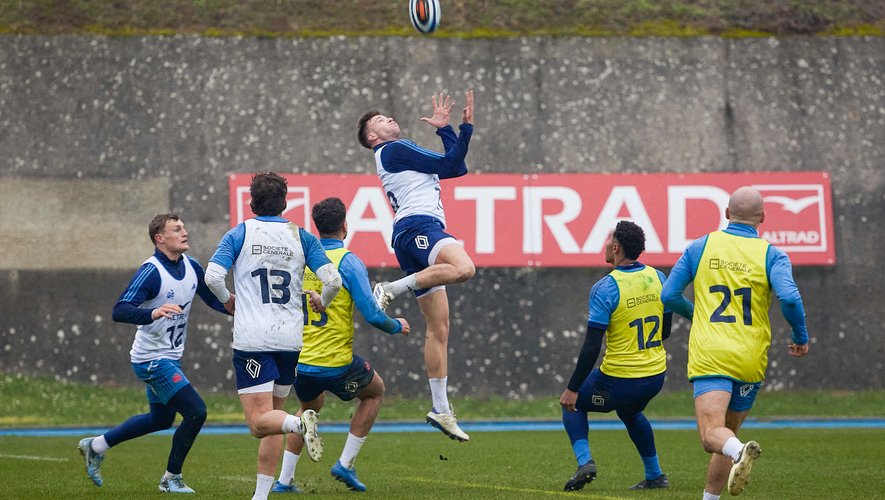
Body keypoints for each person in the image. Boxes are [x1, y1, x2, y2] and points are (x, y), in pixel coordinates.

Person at [661, 186, 809, 499]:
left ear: (727, 214)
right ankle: (712, 495)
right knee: (726, 433)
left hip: (712, 354)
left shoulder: (701, 246)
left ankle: (740, 450)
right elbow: (791, 299)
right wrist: (800, 336)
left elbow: (669, 296)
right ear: (763, 218)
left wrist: (697, 313)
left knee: (712, 435)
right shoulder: (772, 254)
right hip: (750, 356)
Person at [204, 172, 342, 500]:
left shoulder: (240, 233)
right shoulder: (302, 237)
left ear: (251, 202)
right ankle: (261, 495)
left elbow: (212, 276)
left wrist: (227, 299)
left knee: (258, 423)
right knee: (274, 418)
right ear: (284, 203)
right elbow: (333, 280)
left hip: (254, 339)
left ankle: (300, 424)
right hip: (290, 340)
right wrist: (321, 302)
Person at [77, 213, 235, 493]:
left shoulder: (191, 266)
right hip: (151, 360)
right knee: (196, 412)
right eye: (177, 229)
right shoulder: (151, 271)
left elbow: (214, 299)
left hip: (169, 357)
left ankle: (97, 445)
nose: (184, 231)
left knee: (161, 419)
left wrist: (240, 306)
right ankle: (170, 478)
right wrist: (153, 312)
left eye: (184, 226)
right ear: (160, 239)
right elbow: (120, 310)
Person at [356, 90, 475, 442]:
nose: (388, 119)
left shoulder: (399, 154)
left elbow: (456, 168)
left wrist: (448, 130)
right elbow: (452, 164)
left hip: (409, 235)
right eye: (379, 120)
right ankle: (391, 288)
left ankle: (440, 407)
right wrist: (456, 129)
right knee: (465, 268)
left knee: (439, 328)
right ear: (373, 138)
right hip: (419, 227)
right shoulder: (393, 148)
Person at [270, 197, 411, 493]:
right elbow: (372, 314)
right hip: (336, 364)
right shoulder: (348, 262)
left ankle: (284, 481)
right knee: (375, 392)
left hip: (302, 363)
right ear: (345, 226)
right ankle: (345, 464)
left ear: (316, 228)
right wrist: (397, 325)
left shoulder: (302, 259)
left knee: (308, 410)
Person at [559, 221, 690, 492]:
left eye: (609, 240)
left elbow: (592, 346)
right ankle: (655, 476)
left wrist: (572, 389)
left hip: (620, 378)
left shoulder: (605, 287)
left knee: (573, 405)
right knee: (631, 412)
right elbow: (664, 330)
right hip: (655, 375)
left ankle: (585, 463)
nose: (606, 245)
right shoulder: (659, 278)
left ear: (616, 247)